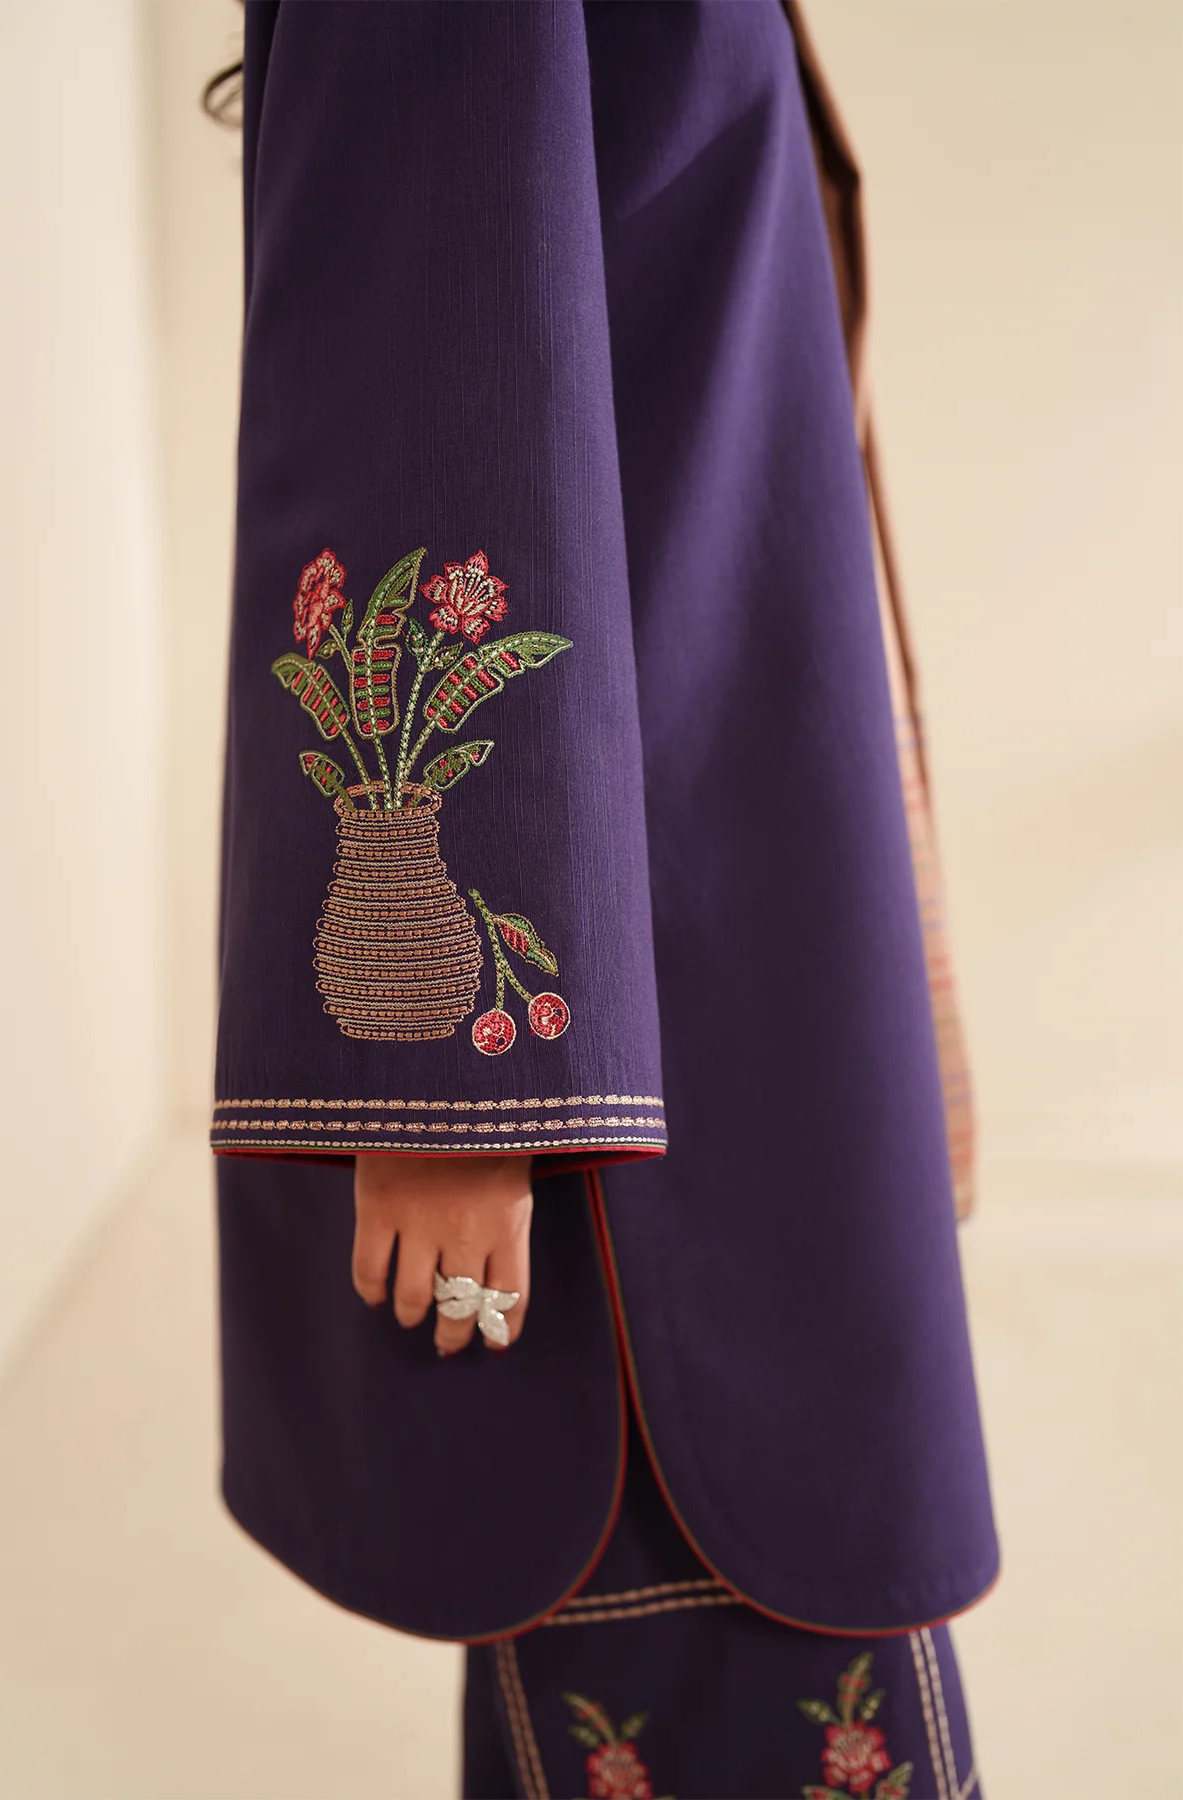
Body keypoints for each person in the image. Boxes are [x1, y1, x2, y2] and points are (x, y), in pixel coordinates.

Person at [210, 1, 998, 1792]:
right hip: (623, 991)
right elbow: (431, 338)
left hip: (710, 875)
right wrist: (448, 1077)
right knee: (727, 1590)